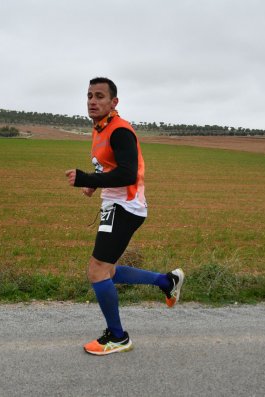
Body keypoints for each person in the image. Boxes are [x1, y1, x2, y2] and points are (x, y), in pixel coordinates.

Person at [65, 77, 185, 356]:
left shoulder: (120, 131)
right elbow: (111, 167)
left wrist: (86, 177)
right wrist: (95, 184)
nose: (93, 101)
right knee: (107, 270)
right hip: (114, 205)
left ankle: (118, 338)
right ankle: (167, 282)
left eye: (99, 96)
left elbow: (128, 173)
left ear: (113, 102)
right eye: (89, 96)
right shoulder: (100, 128)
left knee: (97, 271)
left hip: (127, 207)